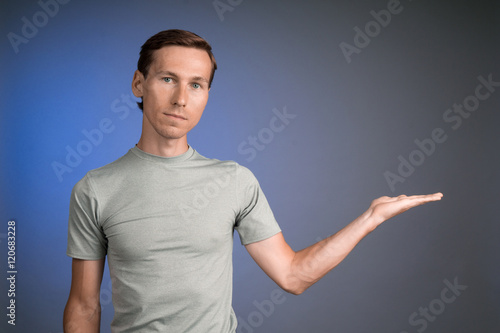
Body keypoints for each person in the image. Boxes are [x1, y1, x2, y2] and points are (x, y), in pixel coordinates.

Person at [63, 29, 443, 332]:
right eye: (167, 79)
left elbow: (292, 276)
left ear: (207, 94)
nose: (181, 98)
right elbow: (84, 305)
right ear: (138, 84)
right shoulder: (96, 188)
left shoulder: (234, 181)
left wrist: (370, 218)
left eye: (197, 84)